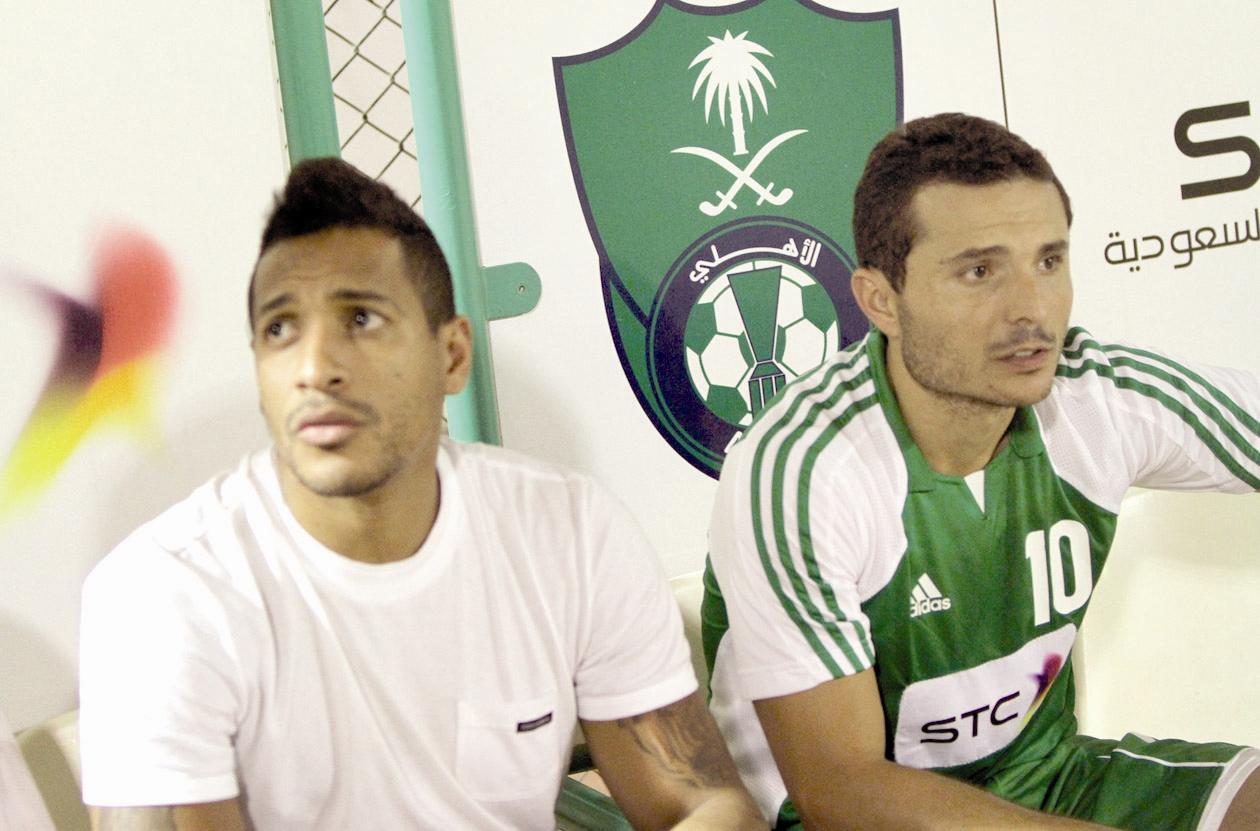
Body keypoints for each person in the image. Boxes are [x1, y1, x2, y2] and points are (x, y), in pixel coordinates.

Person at [78, 157, 762, 830]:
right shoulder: (162, 591)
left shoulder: (572, 531)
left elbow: (708, 804)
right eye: (280, 329)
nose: (315, 367)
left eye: (361, 319)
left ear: (453, 355)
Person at [703, 112, 1260, 830]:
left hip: (1047, 781)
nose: (1031, 310)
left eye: (1049, 262)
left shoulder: (1094, 396)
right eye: (979, 271)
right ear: (881, 300)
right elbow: (841, 791)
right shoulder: (803, 470)